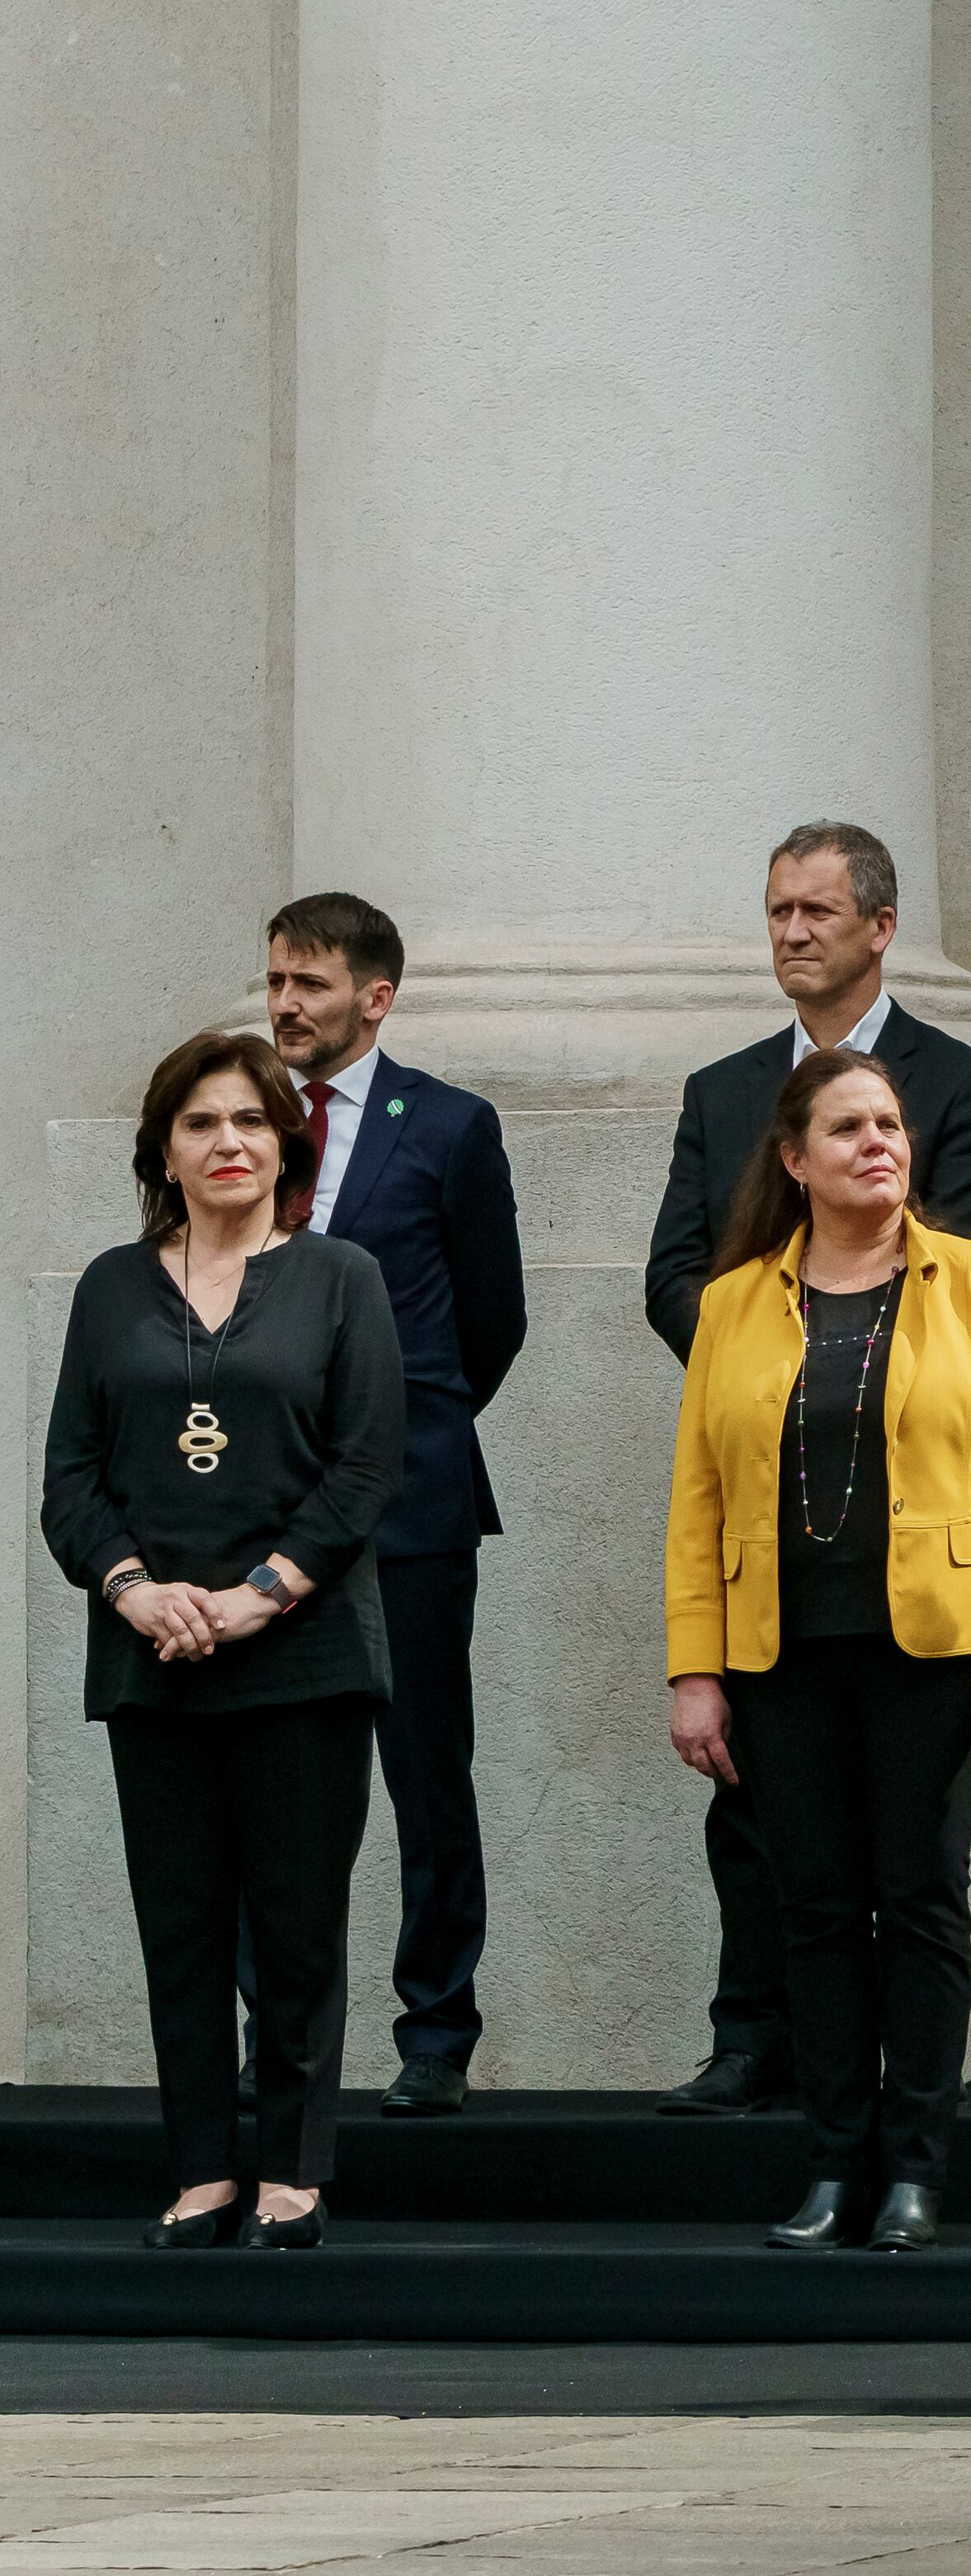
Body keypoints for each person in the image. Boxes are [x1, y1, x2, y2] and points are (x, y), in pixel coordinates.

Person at [662, 1048, 971, 2255]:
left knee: (921, 1898)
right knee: (817, 1909)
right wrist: (695, 1669)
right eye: (848, 1128)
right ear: (795, 1159)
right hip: (779, 1648)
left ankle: (916, 2171)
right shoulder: (734, 1301)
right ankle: (835, 2166)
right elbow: (694, 1499)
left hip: (938, 1650)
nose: (879, 1143)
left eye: (890, 1123)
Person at [647, 821, 971, 2119]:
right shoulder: (722, 1089)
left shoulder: (956, 1081)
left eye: (816, 910)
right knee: (761, 1818)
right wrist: (765, 1355)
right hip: (771, 1486)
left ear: (879, 926)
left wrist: (845, 1363)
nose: (792, 932)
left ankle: (900, 2133)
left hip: (911, 1523)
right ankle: (756, 2037)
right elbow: (672, 1275)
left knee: (909, 1859)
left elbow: (954, 1270)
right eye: (775, 912)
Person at [40, 1033, 403, 2248]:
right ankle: (203, 2170)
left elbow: (364, 1467)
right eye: (202, 1122)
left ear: (287, 1143)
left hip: (299, 1655)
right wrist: (137, 1589)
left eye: (252, 1120)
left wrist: (263, 1590)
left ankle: (293, 2171)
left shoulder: (341, 1276)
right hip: (152, 1655)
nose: (229, 1141)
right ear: (165, 1147)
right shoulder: (109, 1286)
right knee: (182, 1924)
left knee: (297, 1924)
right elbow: (72, 1479)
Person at [257, 894, 527, 2119]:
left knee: (426, 1771)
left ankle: (436, 2031)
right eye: (275, 981)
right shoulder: (241, 1125)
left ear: (376, 994)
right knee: (277, 1786)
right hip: (260, 1510)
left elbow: (491, 1320)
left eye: (310, 982)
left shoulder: (451, 1127)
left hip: (412, 1506)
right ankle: (285, 2043)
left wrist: (399, 1420)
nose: (285, 1004)